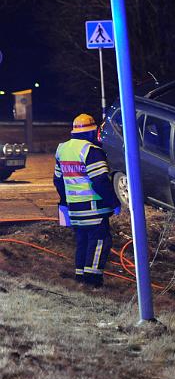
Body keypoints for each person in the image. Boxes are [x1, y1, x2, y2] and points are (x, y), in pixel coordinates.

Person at [53, 114, 120, 287]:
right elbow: (100, 181)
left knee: (82, 240)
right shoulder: (92, 151)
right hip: (94, 208)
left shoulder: (62, 149)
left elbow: (58, 180)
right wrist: (114, 203)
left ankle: (80, 276)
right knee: (100, 241)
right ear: (92, 132)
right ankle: (93, 280)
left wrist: (65, 201)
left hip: (74, 209)